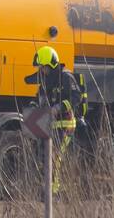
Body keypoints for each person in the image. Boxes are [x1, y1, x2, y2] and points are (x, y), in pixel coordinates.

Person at [24, 46, 86, 192]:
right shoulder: (46, 80)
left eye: (43, 67)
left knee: (55, 157)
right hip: (50, 124)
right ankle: (47, 188)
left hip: (65, 123)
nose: (41, 71)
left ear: (50, 65)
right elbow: (39, 98)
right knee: (44, 156)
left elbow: (76, 97)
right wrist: (33, 107)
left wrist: (58, 108)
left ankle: (53, 191)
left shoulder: (65, 77)